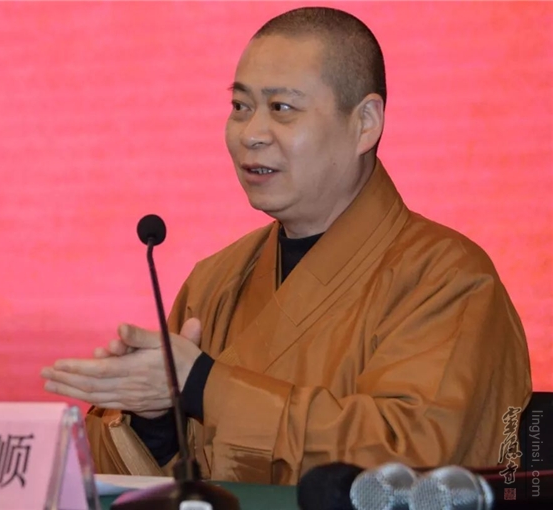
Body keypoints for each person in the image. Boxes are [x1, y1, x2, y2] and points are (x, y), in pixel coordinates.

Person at [41, 7, 532, 485]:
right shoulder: (215, 281)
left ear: (365, 122)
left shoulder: (448, 278)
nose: (251, 134)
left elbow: (414, 461)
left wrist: (205, 385)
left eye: (281, 108)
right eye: (240, 107)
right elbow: (148, 482)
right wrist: (156, 420)